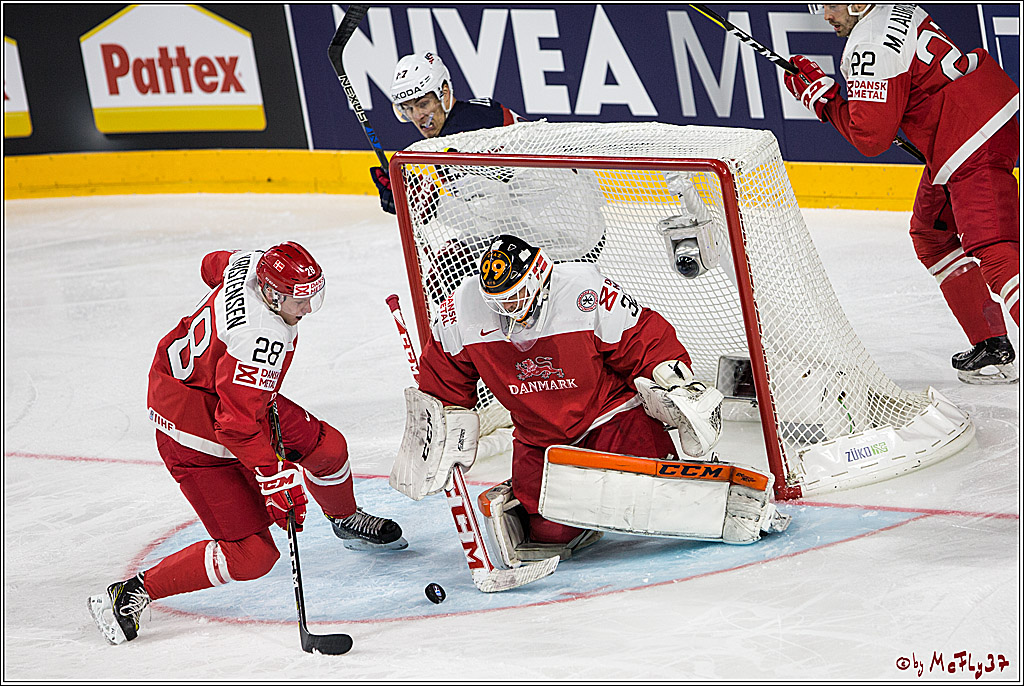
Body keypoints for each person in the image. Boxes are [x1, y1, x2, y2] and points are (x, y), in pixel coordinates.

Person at [389, 234, 789, 565]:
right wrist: (436, 424)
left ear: (538, 276)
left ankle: (731, 502)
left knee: (666, 498)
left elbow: (642, 336)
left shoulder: (583, 291)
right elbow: (443, 378)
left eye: (514, 295)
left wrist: (673, 380)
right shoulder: (460, 312)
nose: (506, 308)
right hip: (540, 437)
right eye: (498, 300)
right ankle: (579, 511)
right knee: (548, 534)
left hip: (609, 416)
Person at [88, 242, 406, 646]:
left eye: (313, 297)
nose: (307, 309)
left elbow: (210, 265)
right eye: (299, 300)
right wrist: (274, 477)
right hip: (192, 435)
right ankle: (133, 591)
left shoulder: (250, 263)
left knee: (328, 449)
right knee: (252, 557)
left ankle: (343, 520)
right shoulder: (262, 338)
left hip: (219, 393)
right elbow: (234, 427)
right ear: (272, 293)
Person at [786, 4, 1020, 384]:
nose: (824, 15)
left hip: (969, 139)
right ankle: (991, 344)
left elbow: (871, 138)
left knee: (992, 246)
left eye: (828, 4)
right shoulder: (900, 8)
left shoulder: (869, 43)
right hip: (966, 127)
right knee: (932, 235)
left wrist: (824, 101)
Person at [370, 52, 606, 305]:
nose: (417, 116)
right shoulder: (473, 115)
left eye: (423, 103)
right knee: (456, 262)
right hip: (572, 223)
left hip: (565, 241)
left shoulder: (460, 142)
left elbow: (491, 218)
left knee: (450, 277)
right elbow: (501, 211)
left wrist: (431, 205)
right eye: (408, 108)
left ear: (445, 93)